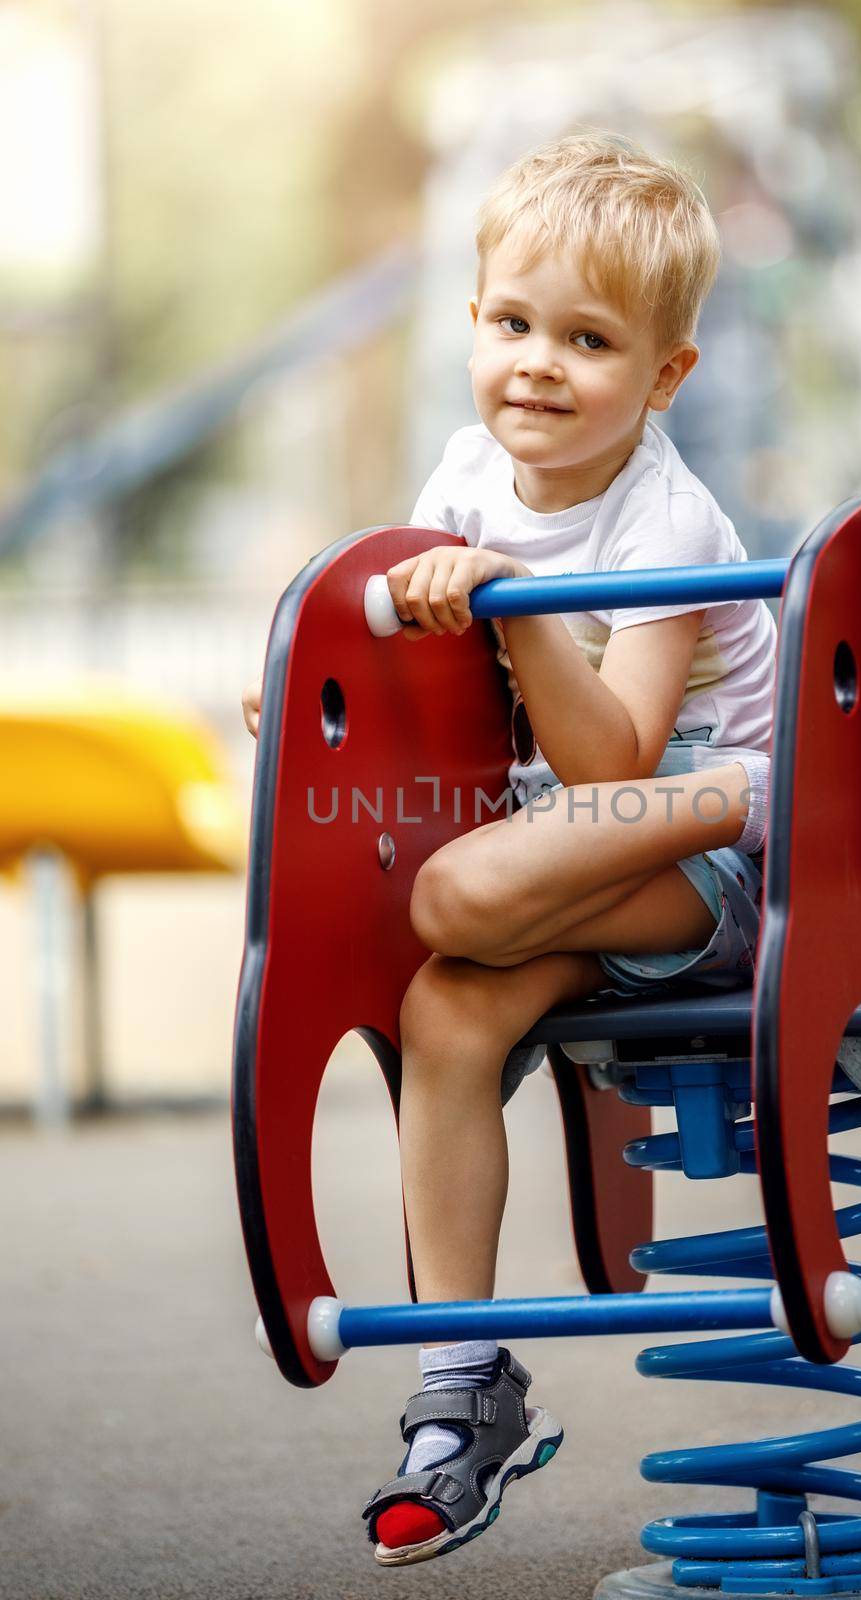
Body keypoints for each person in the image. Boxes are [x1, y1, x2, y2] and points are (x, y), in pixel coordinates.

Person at [242, 131, 776, 1566]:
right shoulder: (465, 471)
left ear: (664, 376)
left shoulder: (671, 514)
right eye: (511, 322)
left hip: (706, 847)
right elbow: (419, 695)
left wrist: (521, 604)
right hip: (564, 855)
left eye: (589, 340)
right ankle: (461, 1386)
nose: (537, 362)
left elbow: (614, 760)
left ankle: (743, 798)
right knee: (441, 1008)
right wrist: (305, 705)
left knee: (463, 890)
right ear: (472, 325)